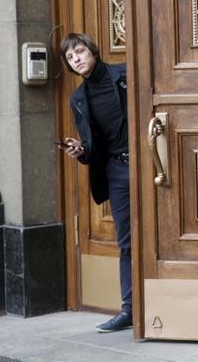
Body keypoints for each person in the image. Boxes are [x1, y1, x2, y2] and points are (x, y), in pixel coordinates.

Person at [59, 33, 132, 333]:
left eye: (79, 51)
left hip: (150, 163)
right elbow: (93, 148)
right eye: (70, 57)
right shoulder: (78, 99)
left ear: (93, 50)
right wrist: (80, 151)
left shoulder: (125, 73)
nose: (76, 58)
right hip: (116, 171)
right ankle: (130, 309)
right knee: (126, 241)